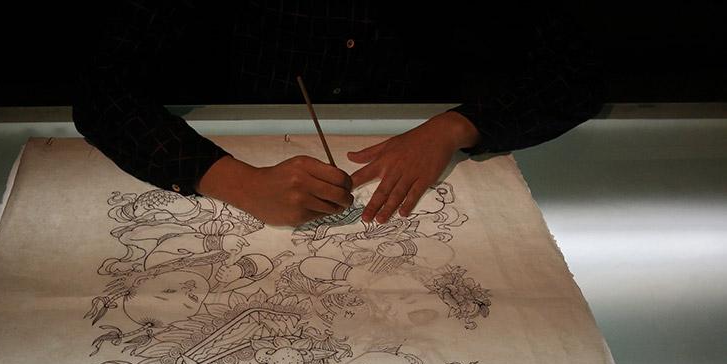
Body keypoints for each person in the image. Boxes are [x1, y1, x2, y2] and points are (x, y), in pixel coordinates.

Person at [72, 2, 602, 226]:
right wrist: (231, 180)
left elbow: (579, 72)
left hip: (414, 126)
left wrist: (458, 126)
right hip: (251, 129)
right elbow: (101, 86)